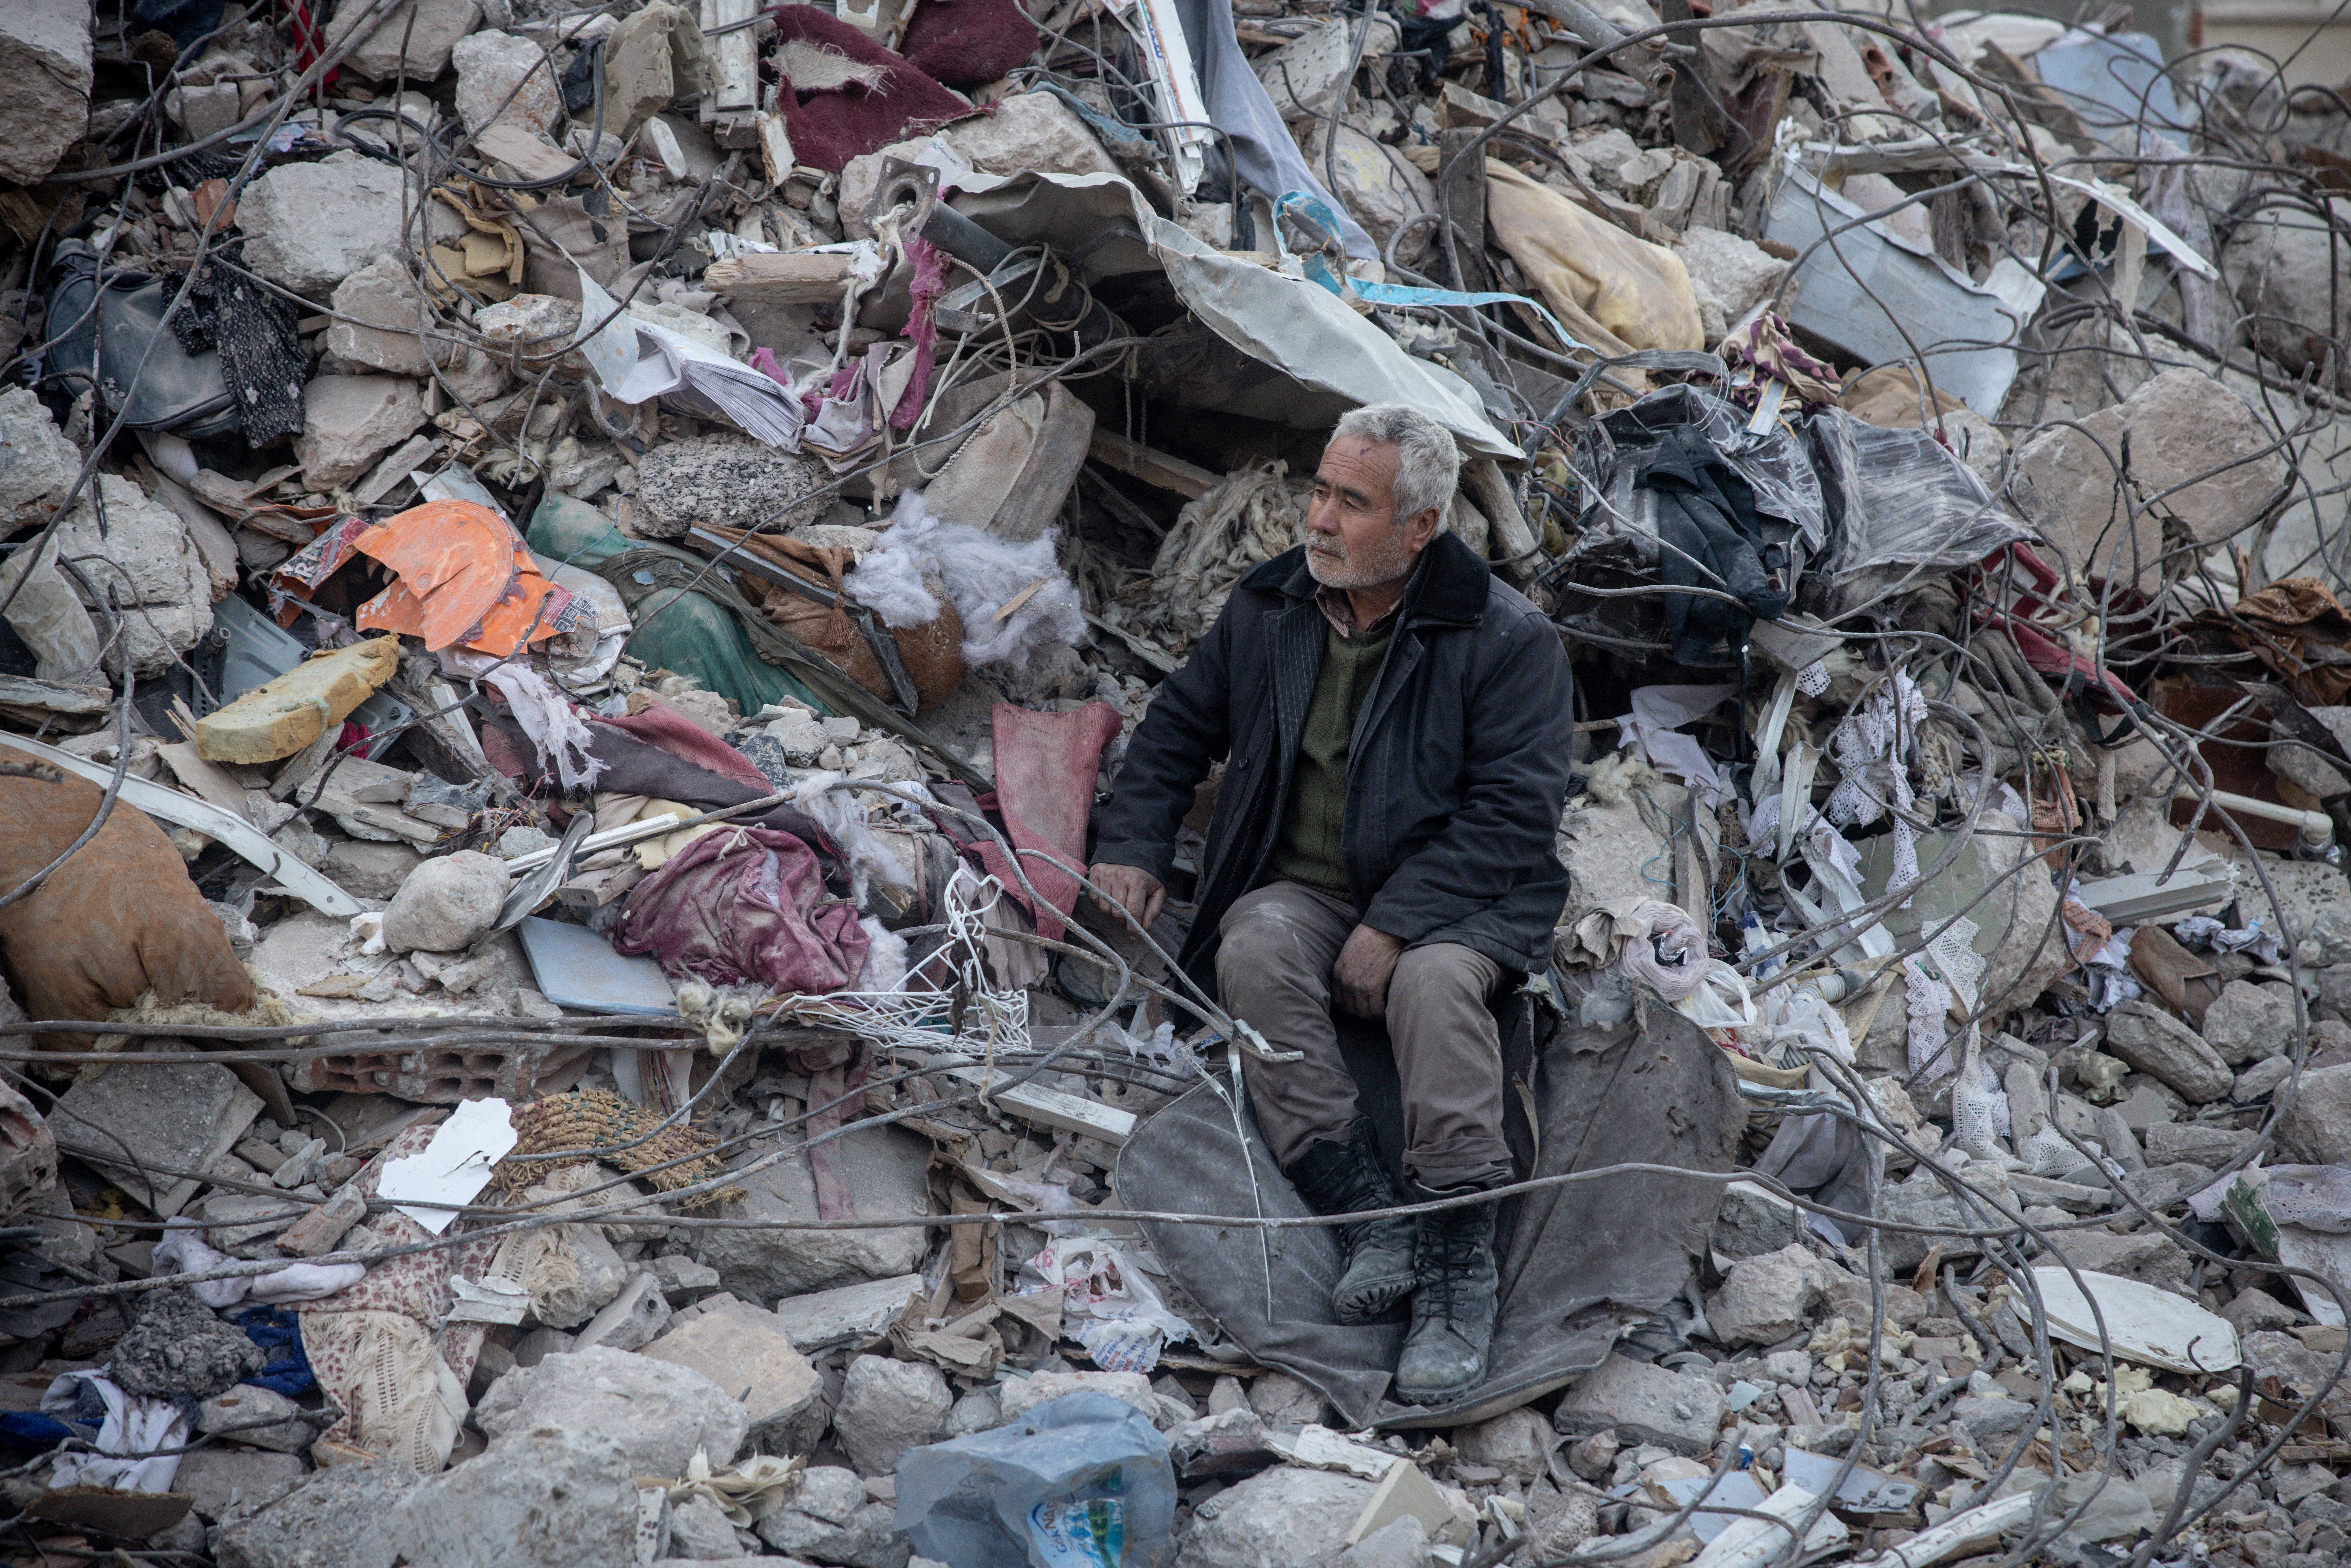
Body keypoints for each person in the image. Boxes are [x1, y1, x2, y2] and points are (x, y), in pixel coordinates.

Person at [1088, 402, 1575, 1404]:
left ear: (1421, 527)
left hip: (1460, 902)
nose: (1318, 519)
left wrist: (1391, 925)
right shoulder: (1271, 606)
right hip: (1309, 890)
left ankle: (1456, 1260)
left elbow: (1515, 816)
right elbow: (1176, 730)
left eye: (1352, 503)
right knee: (1252, 944)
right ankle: (1365, 1211)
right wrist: (1133, 845)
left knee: (1434, 989)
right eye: (1319, 490)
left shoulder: (1504, 637)